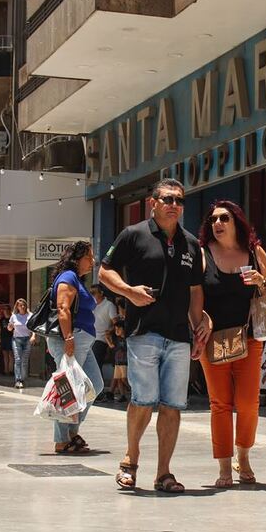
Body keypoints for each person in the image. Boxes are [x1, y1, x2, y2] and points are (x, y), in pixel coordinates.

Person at [98, 178, 211, 493]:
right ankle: (129, 462)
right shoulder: (133, 235)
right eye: (168, 199)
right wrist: (129, 292)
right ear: (153, 203)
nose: (174, 205)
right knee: (143, 400)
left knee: (173, 405)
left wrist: (199, 325)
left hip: (178, 336)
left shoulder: (191, 243)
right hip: (142, 331)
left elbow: (195, 289)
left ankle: (164, 473)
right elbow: (104, 271)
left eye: (179, 200)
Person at [197, 200, 266, 487]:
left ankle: (243, 456)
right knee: (220, 403)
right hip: (213, 339)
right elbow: (192, 293)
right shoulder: (202, 254)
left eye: (224, 218)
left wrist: (260, 281)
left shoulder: (254, 252)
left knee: (248, 403)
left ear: (236, 222)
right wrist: (199, 320)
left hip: (250, 337)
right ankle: (224, 468)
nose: (217, 223)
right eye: (213, 219)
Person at [40, 241, 104, 453]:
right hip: (71, 339)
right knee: (68, 388)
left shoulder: (77, 280)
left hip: (81, 340)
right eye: (89, 257)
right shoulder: (68, 278)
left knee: (94, 384)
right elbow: (63, 308)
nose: (93, 262)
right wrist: (68, 338)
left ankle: (72, 431)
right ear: (76, 259)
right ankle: (62, 439)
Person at [90, 284, 118, 380]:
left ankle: (99, 391)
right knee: (91, 365)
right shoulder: (92, 306)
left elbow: (116, 323)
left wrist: (110, 331)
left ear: (101, 293)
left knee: (96, 364)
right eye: (90, 293)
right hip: (90, 338)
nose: (92, 295)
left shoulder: (109, 305)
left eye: (94, 293)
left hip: (101, 339)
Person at [8, 298, 36, 389]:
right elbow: (9, 328)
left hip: (27, 339)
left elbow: (33, 327)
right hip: (17, 340)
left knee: (24, 360)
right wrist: (10, 326)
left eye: (23, 305)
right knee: (18, 359)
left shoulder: (30, 315)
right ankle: (18, 380)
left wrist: (33, 336)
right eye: (20, 305)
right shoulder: (14, 316)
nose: (22, 307)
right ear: (17, 307)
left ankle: (23, 379)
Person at [108, 318, 130, 403]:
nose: (116, 331)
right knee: (119, 379)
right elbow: (112, 346)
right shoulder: (117, 339)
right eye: (116, 329)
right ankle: (123, 395)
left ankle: (131, 390)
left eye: (118, 329)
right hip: (117, 362)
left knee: (124, 378)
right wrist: (108, 337)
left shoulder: (126, 339)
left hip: (124, 362)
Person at [0, 307, 13, 375]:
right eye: (4, 310)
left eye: (7, 310)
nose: (5, 311)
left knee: (11, 354)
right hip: (3, 338)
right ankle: (6, 370)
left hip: (11, 338)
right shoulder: (1, 320)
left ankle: (11, 370)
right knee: (5, 355)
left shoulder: (11, 319)